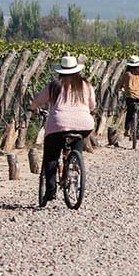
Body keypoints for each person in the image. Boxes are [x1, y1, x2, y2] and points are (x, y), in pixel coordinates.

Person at [30, 54, 96, 201]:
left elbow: (38, 100)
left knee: (51, 157)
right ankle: (75, 166)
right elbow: (92, 106)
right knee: (76, 145)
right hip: (84, 124)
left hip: (58, 125)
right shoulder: (86, 85)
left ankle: (51, 190)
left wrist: (33, 108)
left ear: (60, 71)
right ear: (78, 71)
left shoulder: (54, 85)